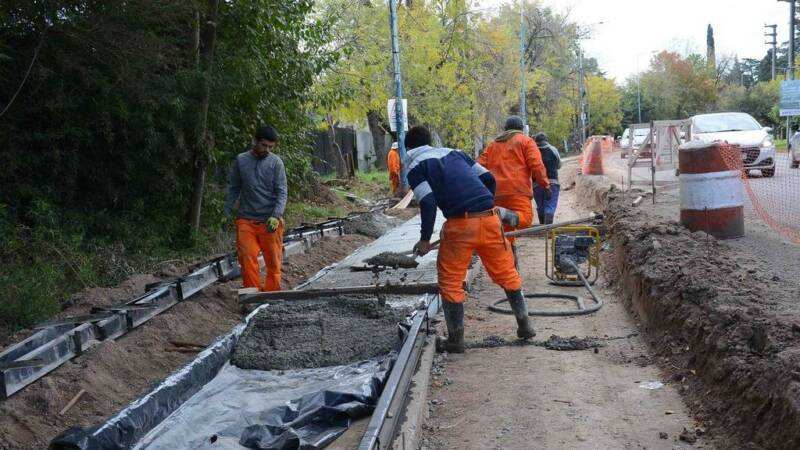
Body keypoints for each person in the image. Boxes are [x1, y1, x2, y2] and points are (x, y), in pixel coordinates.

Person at [406, 125, 535, 353]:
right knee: (507, 273)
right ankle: (525, 325)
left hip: (460, 226)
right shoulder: (456, 153)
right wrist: (484, 206)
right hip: (490, 219)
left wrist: (425, 239)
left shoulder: (415, 166)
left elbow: (427, 202)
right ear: (429, 142)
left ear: (409, 148)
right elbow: (488, 178)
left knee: (451, 280)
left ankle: (456, 340)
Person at [478, 115, 550, 263]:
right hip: (518, 191)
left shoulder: (492, 145)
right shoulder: (526, 141)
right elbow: (536, 165)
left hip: (496, 194)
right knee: (526, 219)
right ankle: (503, 215)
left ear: (505, 129)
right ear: (521, 128)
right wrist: (545, 185)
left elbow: (478, 167)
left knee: (506, 229)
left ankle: (510, 260)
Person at [224, 125, 288, 292]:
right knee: (247, 257)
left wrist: (276, 215)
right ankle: (251, 295)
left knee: (273, 261)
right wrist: (226, 211)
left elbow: (282, 192)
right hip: (246, 219)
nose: (267, 150)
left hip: (270, 220)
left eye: (270, 147)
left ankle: (271, 293)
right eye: (264, 145)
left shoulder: (276, 163)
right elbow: (234, 187)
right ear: (255, 141)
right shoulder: (241, 160)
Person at [533, 132, 562, 224]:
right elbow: (559, 165)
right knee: (550, 206)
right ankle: (548, 228)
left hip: (537, 184)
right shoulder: (553, 149)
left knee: (540, 207)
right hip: (552, 182)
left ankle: (542, 227)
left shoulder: (532, 151)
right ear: (546, 140)